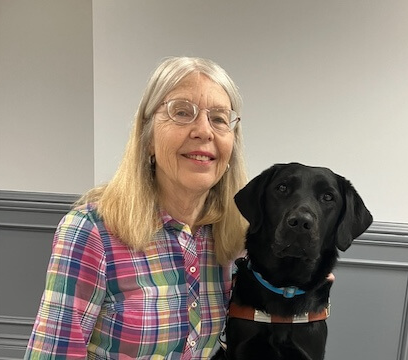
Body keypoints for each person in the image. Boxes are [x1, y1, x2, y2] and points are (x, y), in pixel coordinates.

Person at [24, 56, 250, 359]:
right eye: (182, 112)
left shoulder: (233, 236)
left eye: (220, 119)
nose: (204, 131)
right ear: (147, 138)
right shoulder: (92, 231)